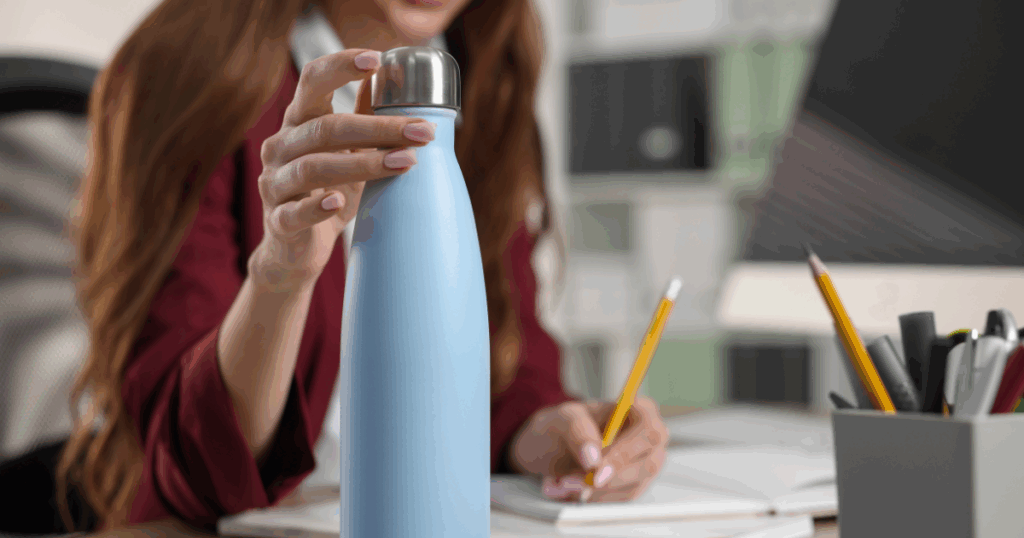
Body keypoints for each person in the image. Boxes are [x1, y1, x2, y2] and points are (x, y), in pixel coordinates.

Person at [56, 0, 671, 532]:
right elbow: (189, 459)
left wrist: (547, 433)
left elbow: (507, 355)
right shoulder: (196, 72)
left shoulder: (477, 73)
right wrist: (281, 275)